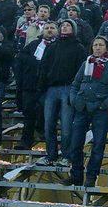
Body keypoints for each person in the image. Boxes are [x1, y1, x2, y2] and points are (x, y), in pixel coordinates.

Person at [63, 36, 108, 187]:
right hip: (81, 108)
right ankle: (76, 175)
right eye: (95, 45)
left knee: (98, 145)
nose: (97, 47)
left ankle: (91, 176)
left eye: (101, 45)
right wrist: (73, 99)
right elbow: (75, 84)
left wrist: (104, 105)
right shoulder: (86, 64)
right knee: (75, 143)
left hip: (100, 111)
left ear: (106, 48)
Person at [37, 19, 87, 166]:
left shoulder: (79, 48)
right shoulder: (52, 47)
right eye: (63, 25)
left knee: (66, 126)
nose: (64, 27)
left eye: (68, 25)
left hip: (69, 88)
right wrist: (41, 88)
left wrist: (77, 90)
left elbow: (81, 71)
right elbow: (44, 68)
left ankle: (66, 156)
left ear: (74, 29)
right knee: (48, 125)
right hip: (51, 89)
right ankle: (50, 155)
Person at [14, 21, 57, 150]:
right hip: (31, 84)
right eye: (47, 28)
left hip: (48, 85)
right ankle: (26, 140)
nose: (49, 30)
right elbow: (21, 58)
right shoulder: (33, 44)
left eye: (52, 28)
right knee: (29, 112)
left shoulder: (59, 46)